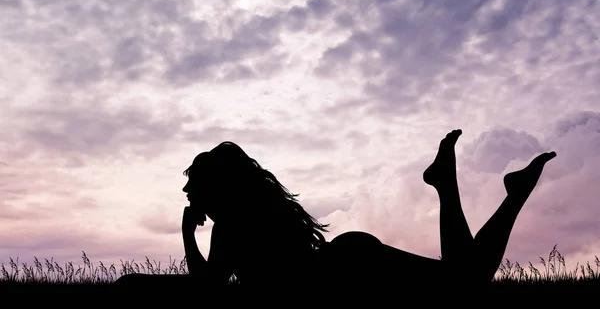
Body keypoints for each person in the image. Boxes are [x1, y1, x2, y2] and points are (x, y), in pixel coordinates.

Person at [113, 129, 557, 298]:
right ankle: (461, 185)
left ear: (216, 187)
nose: (187, 191)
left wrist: (186, 234)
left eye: (193, 183)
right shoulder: (255, 211)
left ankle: (477, 189)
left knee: (464, 283)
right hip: (348, 259)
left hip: (346, 272)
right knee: (462, 281)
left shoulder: (232, 224)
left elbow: (206, 290)